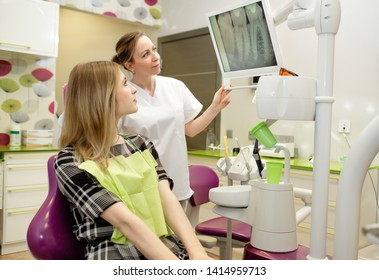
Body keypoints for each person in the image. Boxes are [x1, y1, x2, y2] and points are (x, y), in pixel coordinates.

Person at [55, 61, 213, 260]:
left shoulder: (141, 144)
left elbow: (167, 200)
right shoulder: (70, 161)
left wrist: (197, 251)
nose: (133, 90)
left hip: (162, 242)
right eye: (123, 84)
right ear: (102, 96)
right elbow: (126, 223)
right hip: (114, 253)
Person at [112, 31, 231, 209]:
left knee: (181, 235)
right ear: (130, 65)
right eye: (145, 55)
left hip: (178, 179)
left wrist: (215, 107)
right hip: (142, 185)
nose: (155, 57)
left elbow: (190, 129)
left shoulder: (174, 86)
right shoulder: (123, 93)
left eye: (153, 49)